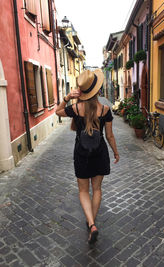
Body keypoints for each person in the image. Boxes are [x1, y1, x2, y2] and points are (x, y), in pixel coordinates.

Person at [55, 69, 119, 244]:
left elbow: (57, 112)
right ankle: (93, 223)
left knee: (83, 190)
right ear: (97, 90)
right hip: (100, 153)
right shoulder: (105, 110)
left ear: (82, 91)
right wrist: (115, 151)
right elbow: (110, 136)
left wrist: (67, 97)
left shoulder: (76, 108)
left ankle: (91, 223)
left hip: (81, 154)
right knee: (97, 189)